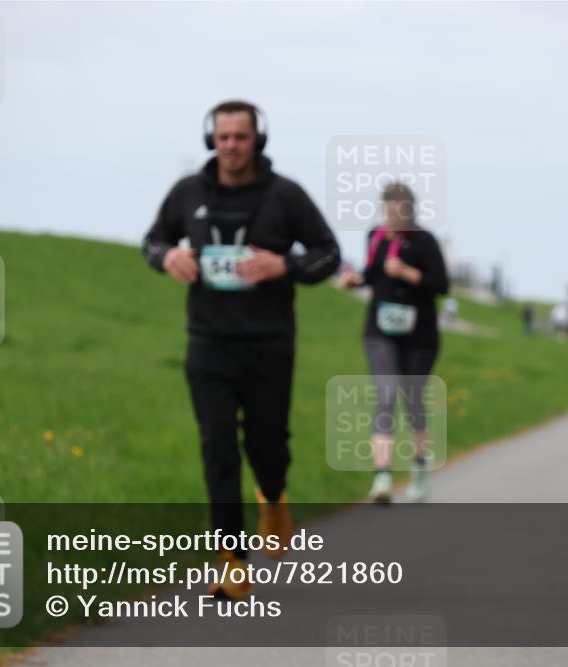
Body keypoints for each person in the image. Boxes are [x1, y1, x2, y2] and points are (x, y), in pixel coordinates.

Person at [142, 100, 340, 598]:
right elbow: (151, 241)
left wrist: (285, 266)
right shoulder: (188, 193)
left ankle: (273, 497)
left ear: (259, 140)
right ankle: (231, 561)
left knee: (267, 444)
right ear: (212, 140)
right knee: (217, 446)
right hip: (208, 342)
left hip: (270, 343)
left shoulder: (285, 196)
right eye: (223, 137)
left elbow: (328, 254)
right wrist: (168, 257)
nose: (231, 146)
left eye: (241, 137)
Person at [338, 182, 449, 503]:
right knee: (385, 393)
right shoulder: (376, 237)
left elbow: (441, 284)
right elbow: (371, 273)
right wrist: (355, 281)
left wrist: (407, 273)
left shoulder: (425, 242)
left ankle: (419, 467)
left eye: (400, 212)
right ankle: (382, 477)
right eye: (388, 211)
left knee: (412, 398)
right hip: (380, 330)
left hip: (420, 335)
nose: (393, 218)